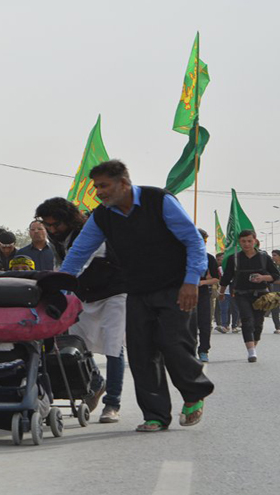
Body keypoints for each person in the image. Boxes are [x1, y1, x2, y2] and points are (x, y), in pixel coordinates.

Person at [60, 160, 214, 432]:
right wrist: (60, 286)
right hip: (137, 290)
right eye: (96, 187)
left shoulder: (160, 201)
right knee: (142, 352)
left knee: (174, 344)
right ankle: (155, 415)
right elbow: (78, 253)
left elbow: (192, 241)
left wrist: (191, 281)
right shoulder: (102, 215)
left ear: (124, 184)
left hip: (175, 287)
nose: (99, 192)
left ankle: (193, 394)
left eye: (104, 186)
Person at [36, 196, 124, 423]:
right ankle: (96, 382)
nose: (53, 229)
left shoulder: (89, 233)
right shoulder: (55, 240)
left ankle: (112, 403)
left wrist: (57, 287)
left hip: (113, 293)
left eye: (57, 224)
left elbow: (76, 265)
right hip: (84, 294)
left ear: (69, 219)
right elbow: (60, 266)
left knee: (113, 345)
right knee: (75, 342)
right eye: (48, 225)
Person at [218, 230, 280, 362]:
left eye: (249, 241)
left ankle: (253, 346)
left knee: (258, 323)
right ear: (239, 242)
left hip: (261, 295)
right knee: (247, 320)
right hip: (241, 294)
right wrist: (221, 292)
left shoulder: (264, 258)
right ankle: (251, 351)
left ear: (255, 241)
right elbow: (226, 277)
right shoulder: (234, 258)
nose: (246, 244)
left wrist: (263, 277)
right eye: (243, 241)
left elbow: (276, 276)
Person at [190, 229, 220, 362]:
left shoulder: (209, 258)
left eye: (203, 240)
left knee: (204, 323)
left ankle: (203, 350)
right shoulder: (183, 256)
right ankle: (189, 351)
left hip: (202, 294)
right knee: (188, 324)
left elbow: (216, 279)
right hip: (185, 294)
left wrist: (202, 282)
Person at [271, 250, 280, 334]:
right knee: (274, 309)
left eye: (275, 255)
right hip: (274, 291)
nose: (273, 257)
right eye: (272, 255)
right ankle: (278, 327)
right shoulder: (272, 267)